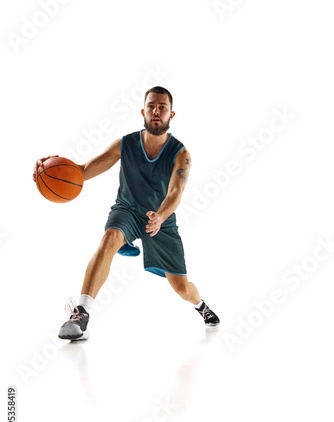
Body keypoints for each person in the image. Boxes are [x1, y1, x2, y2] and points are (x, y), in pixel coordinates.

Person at [33, 86, 219, 340]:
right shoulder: (126, 144)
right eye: (151, 106)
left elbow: (175, 192)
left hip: (162, 219)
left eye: (162, 107)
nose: (156, 111)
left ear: (171, 115)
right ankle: (81, 313)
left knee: (181, 287)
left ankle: (202, 306)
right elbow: (84, 170)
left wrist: (161, 216)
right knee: (110, 238)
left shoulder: (181, 153)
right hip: (128, 209)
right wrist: (49, 169)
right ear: (143, 111)